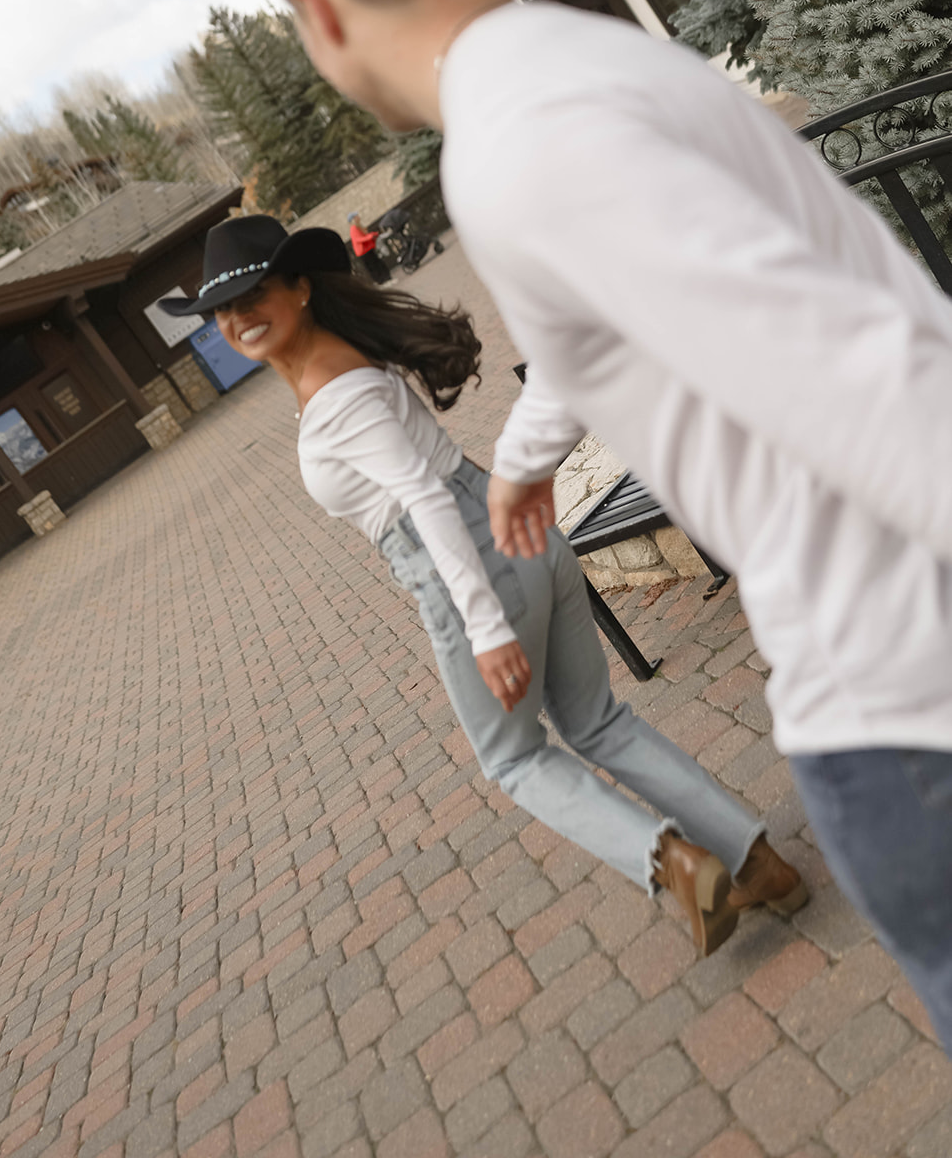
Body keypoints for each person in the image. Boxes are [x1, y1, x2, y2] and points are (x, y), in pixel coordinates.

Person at [252, 0, 952, 1052]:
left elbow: (862, 377)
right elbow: (609, 327)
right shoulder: (588, 67)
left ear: (313, 6)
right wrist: (524, 457)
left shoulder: (522, 146)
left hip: (899, 695)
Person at [159, 215, 804, 956]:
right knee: (595, 721)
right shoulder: (344, 360)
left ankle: (678, 868)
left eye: (254, 293)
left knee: (514, 759)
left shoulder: (334, 395)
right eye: (222, 307)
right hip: (519, 540)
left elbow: (424, 501)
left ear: (300, 288)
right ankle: (758, 866)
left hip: (467, 565)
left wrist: (485, 628)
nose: (237, 317)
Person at [348, 211, 390, 283]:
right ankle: (381, 280)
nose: (358, 217)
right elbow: (358, 239)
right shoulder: (353, 228)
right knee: (373, 266)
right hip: (363, 252)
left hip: (368, 249)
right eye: (356, 216)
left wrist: (373, 234)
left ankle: (386, 278)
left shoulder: (358, 226)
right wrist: (370, 237)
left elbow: (364, 236)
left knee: (377, 263)